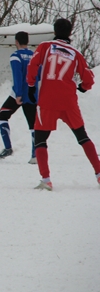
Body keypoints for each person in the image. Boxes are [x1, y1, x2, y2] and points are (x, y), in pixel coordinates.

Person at [27, 18, 100, 190]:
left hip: (47, 100)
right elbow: (88, 78)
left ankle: (46, 180)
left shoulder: (45, 47)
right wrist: (82, 87)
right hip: (68, 101)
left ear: (54, 31)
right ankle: (99, 174)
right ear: (70, 33)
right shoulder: (75, 53)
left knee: (40, 139)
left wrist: (31, 85)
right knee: (82, 137)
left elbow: (33, 65)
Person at [0, 31, 36, 164]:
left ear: (16, 42)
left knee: (2, 115)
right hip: (32, 93)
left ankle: (8, 148)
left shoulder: (15, 56)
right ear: (27, 42)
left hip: (19, 94)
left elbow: (18, 76)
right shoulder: (35, 56)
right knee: (33, 124)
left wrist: (19, 94)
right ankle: (35, 155)